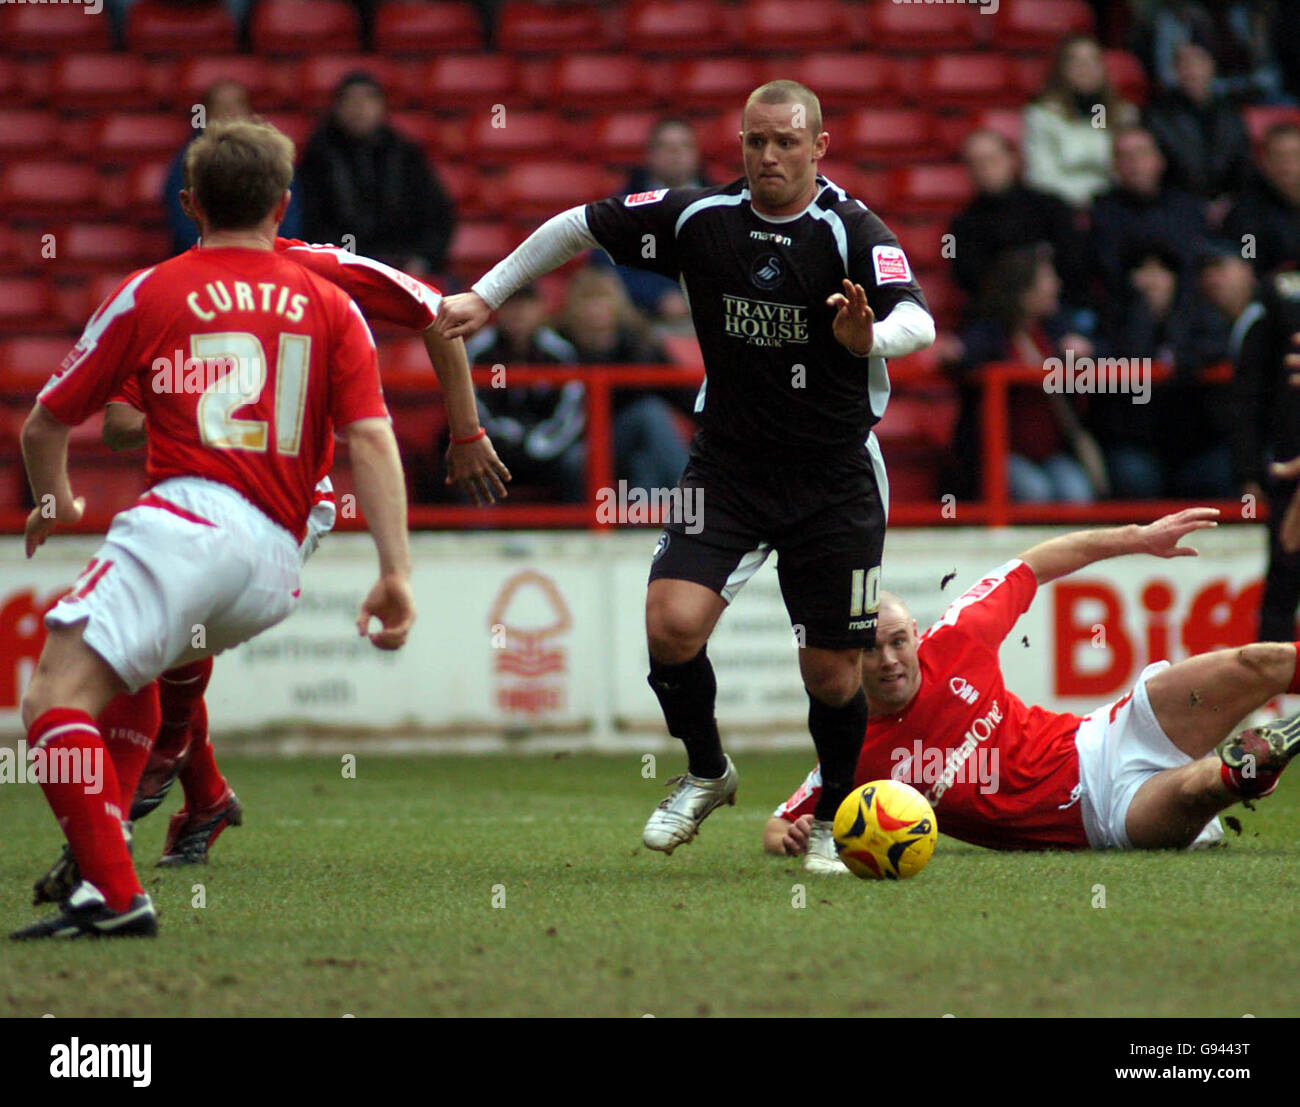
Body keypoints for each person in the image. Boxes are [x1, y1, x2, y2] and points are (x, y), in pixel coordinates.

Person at [437, 79, 936, 872]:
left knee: (833, 668)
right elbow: (578, 225)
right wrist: (487, 294)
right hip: (730, 464)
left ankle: (835, 819)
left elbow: (920, 317)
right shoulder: (701, 219)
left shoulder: (849, 230)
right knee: (669, 625)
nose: (769, 155)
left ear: (819, 147)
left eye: (785, 141)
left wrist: (868, 335)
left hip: (835, 473)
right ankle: (708, 770)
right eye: (754, 141)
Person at [13, 120, 415, 939]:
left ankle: (115, 896)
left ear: (190, 203)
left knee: (54, 694)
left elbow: (45, 424)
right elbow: (371, 437)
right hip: (274, 561)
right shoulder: (330, 303)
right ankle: (117, 853)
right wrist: (395, 570)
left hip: (190, 519)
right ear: (283, 203)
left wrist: (55, 499)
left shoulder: (150, 289)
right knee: (135, 677)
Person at [765, 509, 1300, 866]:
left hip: (1110, 732)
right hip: (1105, 815)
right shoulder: (853, 750)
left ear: (916, 636)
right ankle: (1247, 767)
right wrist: (787, 838)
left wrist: (1137, 538)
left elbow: (1036, 564)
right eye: (869, 650)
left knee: (1263, 661)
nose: (889, 660)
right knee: (1201, 787)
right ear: (848, 660)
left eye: (898, 641)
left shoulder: (958, 636)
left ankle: (1248, 766)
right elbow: (780, 822)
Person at [944, 243, 1104, 504]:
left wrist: (1089, 352)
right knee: (1034, 492)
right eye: (1048, 279)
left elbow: (1112, 351)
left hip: (1052, 451)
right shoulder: (991, 333)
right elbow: (962, 354)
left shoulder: (1058, 331)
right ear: (1023, 290)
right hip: (1003, 452)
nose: (1057, 285)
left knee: (1077, 494)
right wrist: (955, 353)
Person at [297, 71, 455, 276]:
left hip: (403, 265)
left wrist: (423, 259)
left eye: (368, 99)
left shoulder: (406, 154)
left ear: (382, 106)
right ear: (336, 107)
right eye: (350, 100)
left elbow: (437, 215)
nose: (359, 107)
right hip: (336, 267)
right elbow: (308, 220)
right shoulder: (316, 157)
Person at [557, 266, 691, 497]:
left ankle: (653, 524)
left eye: (602, 299)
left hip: (628, 441)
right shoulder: (559, 348)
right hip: (576, 442)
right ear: (573, 307)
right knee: (649, 414)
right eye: (588, 300)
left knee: (647, 448)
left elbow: (683, 395)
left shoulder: (641, 344)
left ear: (618, 304)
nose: (596, 310)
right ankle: (693, 499)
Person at [466, 284, 586, 503]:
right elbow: (471, 405)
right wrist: (502, 434)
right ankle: (478, 531)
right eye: (511, 306)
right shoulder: (481, 351)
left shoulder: (558, 353)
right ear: (498, 310)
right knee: (471, 459)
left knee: (576, 460)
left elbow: (571, 410)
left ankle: (578, 531)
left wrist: (541, 440)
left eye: (527, 305)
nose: (519, 313)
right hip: (495, 446)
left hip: (547, 445)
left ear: (541, 309)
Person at [1231, 272, 1300, 642]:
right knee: (1284, 576)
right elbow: (1249, 393)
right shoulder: (1276, 299)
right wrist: (1248, 470)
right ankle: (1272, 691)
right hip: (1289, 469)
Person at [947, 129, 1088, 310]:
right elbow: (968, 280)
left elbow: (1075, 263)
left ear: (1011, 159)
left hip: (1061, 307)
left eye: (992, 160)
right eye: (975, 163)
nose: (984, 169)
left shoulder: (1050, 206)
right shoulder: (962, 225)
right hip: (997, 317)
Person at [163, 80, 304, 256]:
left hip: (267, 259)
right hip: (207, 262)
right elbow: (184, 226)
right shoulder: (190, 162)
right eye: (221, 106)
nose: (230, 113)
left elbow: (290, 221)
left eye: (237, 105)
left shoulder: (274, 158)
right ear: (206, 114)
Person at [1089, 125, 1209, 298]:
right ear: (1115, 166)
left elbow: (1196, 259)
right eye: (1125, 157)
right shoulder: (1102, 210)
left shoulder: (1187, 206)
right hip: (1124, 303)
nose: (1135, 163)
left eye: (1142, 153)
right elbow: (1106, 267)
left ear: (1160, 160)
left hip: (1187, 302)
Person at [1022, 35, 1138, 209]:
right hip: (1062, 209)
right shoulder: (1042, 117)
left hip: (1120, 208)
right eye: (1077, 62)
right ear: (1062, 70)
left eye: (1093, 61)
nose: (1086, 68)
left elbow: (1133, 170)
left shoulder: (1123, 114)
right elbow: (1041, 178)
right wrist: (1095, 199)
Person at [1142, 42, 1251, 205]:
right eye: (1185, 64)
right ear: (1176, 71)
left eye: (1199, 63)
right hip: (1175, 203)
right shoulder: (1157, 114)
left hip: (1228, 203)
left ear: (1212, 67)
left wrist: (1229, 201)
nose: (1192, 71)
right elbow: (1159, 171)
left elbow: (1243, 165)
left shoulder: (1230, 112)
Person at [1222, 123, 1300, 279]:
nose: (1287, 165)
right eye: (1279, 157)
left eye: (1295, 155)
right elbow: (1247, 260)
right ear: (1264, 162)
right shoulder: (1246, 214)